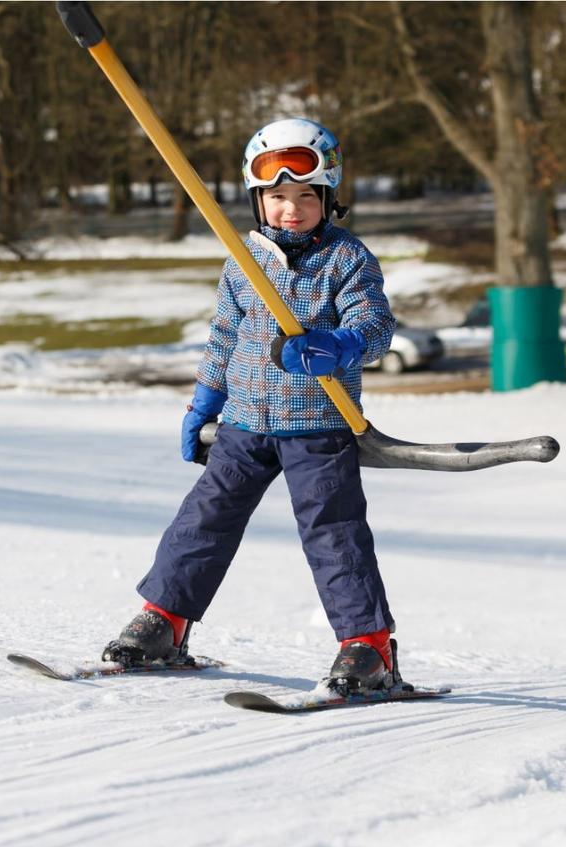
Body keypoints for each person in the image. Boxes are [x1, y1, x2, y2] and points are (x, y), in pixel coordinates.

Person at [102, 117, 402, 694]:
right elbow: (225, 334)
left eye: (305, 197)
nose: (291, 209)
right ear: (257, 198)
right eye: (277, 196)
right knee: (202, 521)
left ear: (329, 198)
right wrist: (205, 401)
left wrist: (342, 343)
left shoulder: (347, 259)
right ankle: (165, 620)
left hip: (318, 423)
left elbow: (376, 324)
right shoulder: (244, 257)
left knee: (333, 533)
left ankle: (368, 647)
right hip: (244, 421)